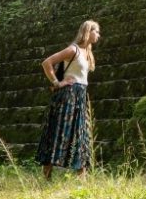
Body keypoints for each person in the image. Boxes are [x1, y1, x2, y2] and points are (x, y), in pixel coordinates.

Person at [36, 20, 101, 179]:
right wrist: (57, 82)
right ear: (87, 31)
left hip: (80, 95)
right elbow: (47, 63)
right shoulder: (73, 49)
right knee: (59, 131)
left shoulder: (88, 53)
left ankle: (82, 178)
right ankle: (47, 176)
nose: (98, 35)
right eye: (96, 31)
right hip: (68, 95)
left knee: (81, 134)